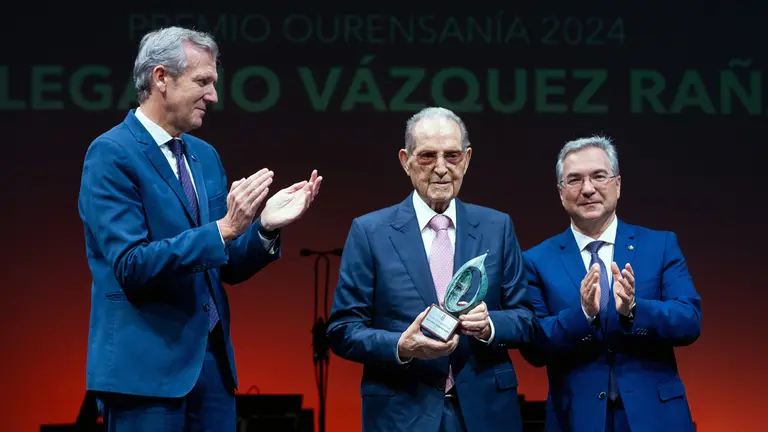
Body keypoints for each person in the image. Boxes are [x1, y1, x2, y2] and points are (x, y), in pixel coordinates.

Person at [77, 26, 322, 431]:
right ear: (161, 79)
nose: (214, 96)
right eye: (203, 82)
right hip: (146, 377)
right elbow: (131, 265)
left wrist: (262, 227)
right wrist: (224, 228)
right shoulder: (111, 154)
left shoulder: (204, 157)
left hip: (211, 370)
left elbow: (223, 265)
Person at [326, 107, 538, 432]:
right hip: (402, 412)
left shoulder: (497, 227)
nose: (441, 169)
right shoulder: (370, 232)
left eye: (451, 156)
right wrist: (401, 346)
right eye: (427, 156)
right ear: (405, 160)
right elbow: (343, 330)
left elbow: (525, 319)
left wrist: (490, 325)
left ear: (466, 159)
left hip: (486, 412)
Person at [521, 135, 701, 431]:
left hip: (657, 417)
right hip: (576, 419)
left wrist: (633, 309)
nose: (588, 189)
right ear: (561, 192)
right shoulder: (536, 260)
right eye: (575, 180)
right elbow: (534, 347)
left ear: (617, 184)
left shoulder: (660, 245)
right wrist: (583, 315)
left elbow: (690, 320)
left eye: (598, 176)